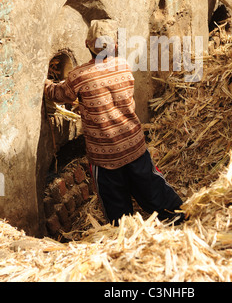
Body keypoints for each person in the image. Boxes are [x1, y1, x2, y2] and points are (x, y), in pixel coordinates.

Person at [44, 19, 184, 226]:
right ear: (115, 46)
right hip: (134, 146)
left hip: (105, 157)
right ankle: (180, 216)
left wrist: (45, 83)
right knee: (153, 189)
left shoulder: (78, 76)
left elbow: (59, 93)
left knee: (117, 210)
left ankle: (125, 240)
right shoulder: (124, 66)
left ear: (87, 45)